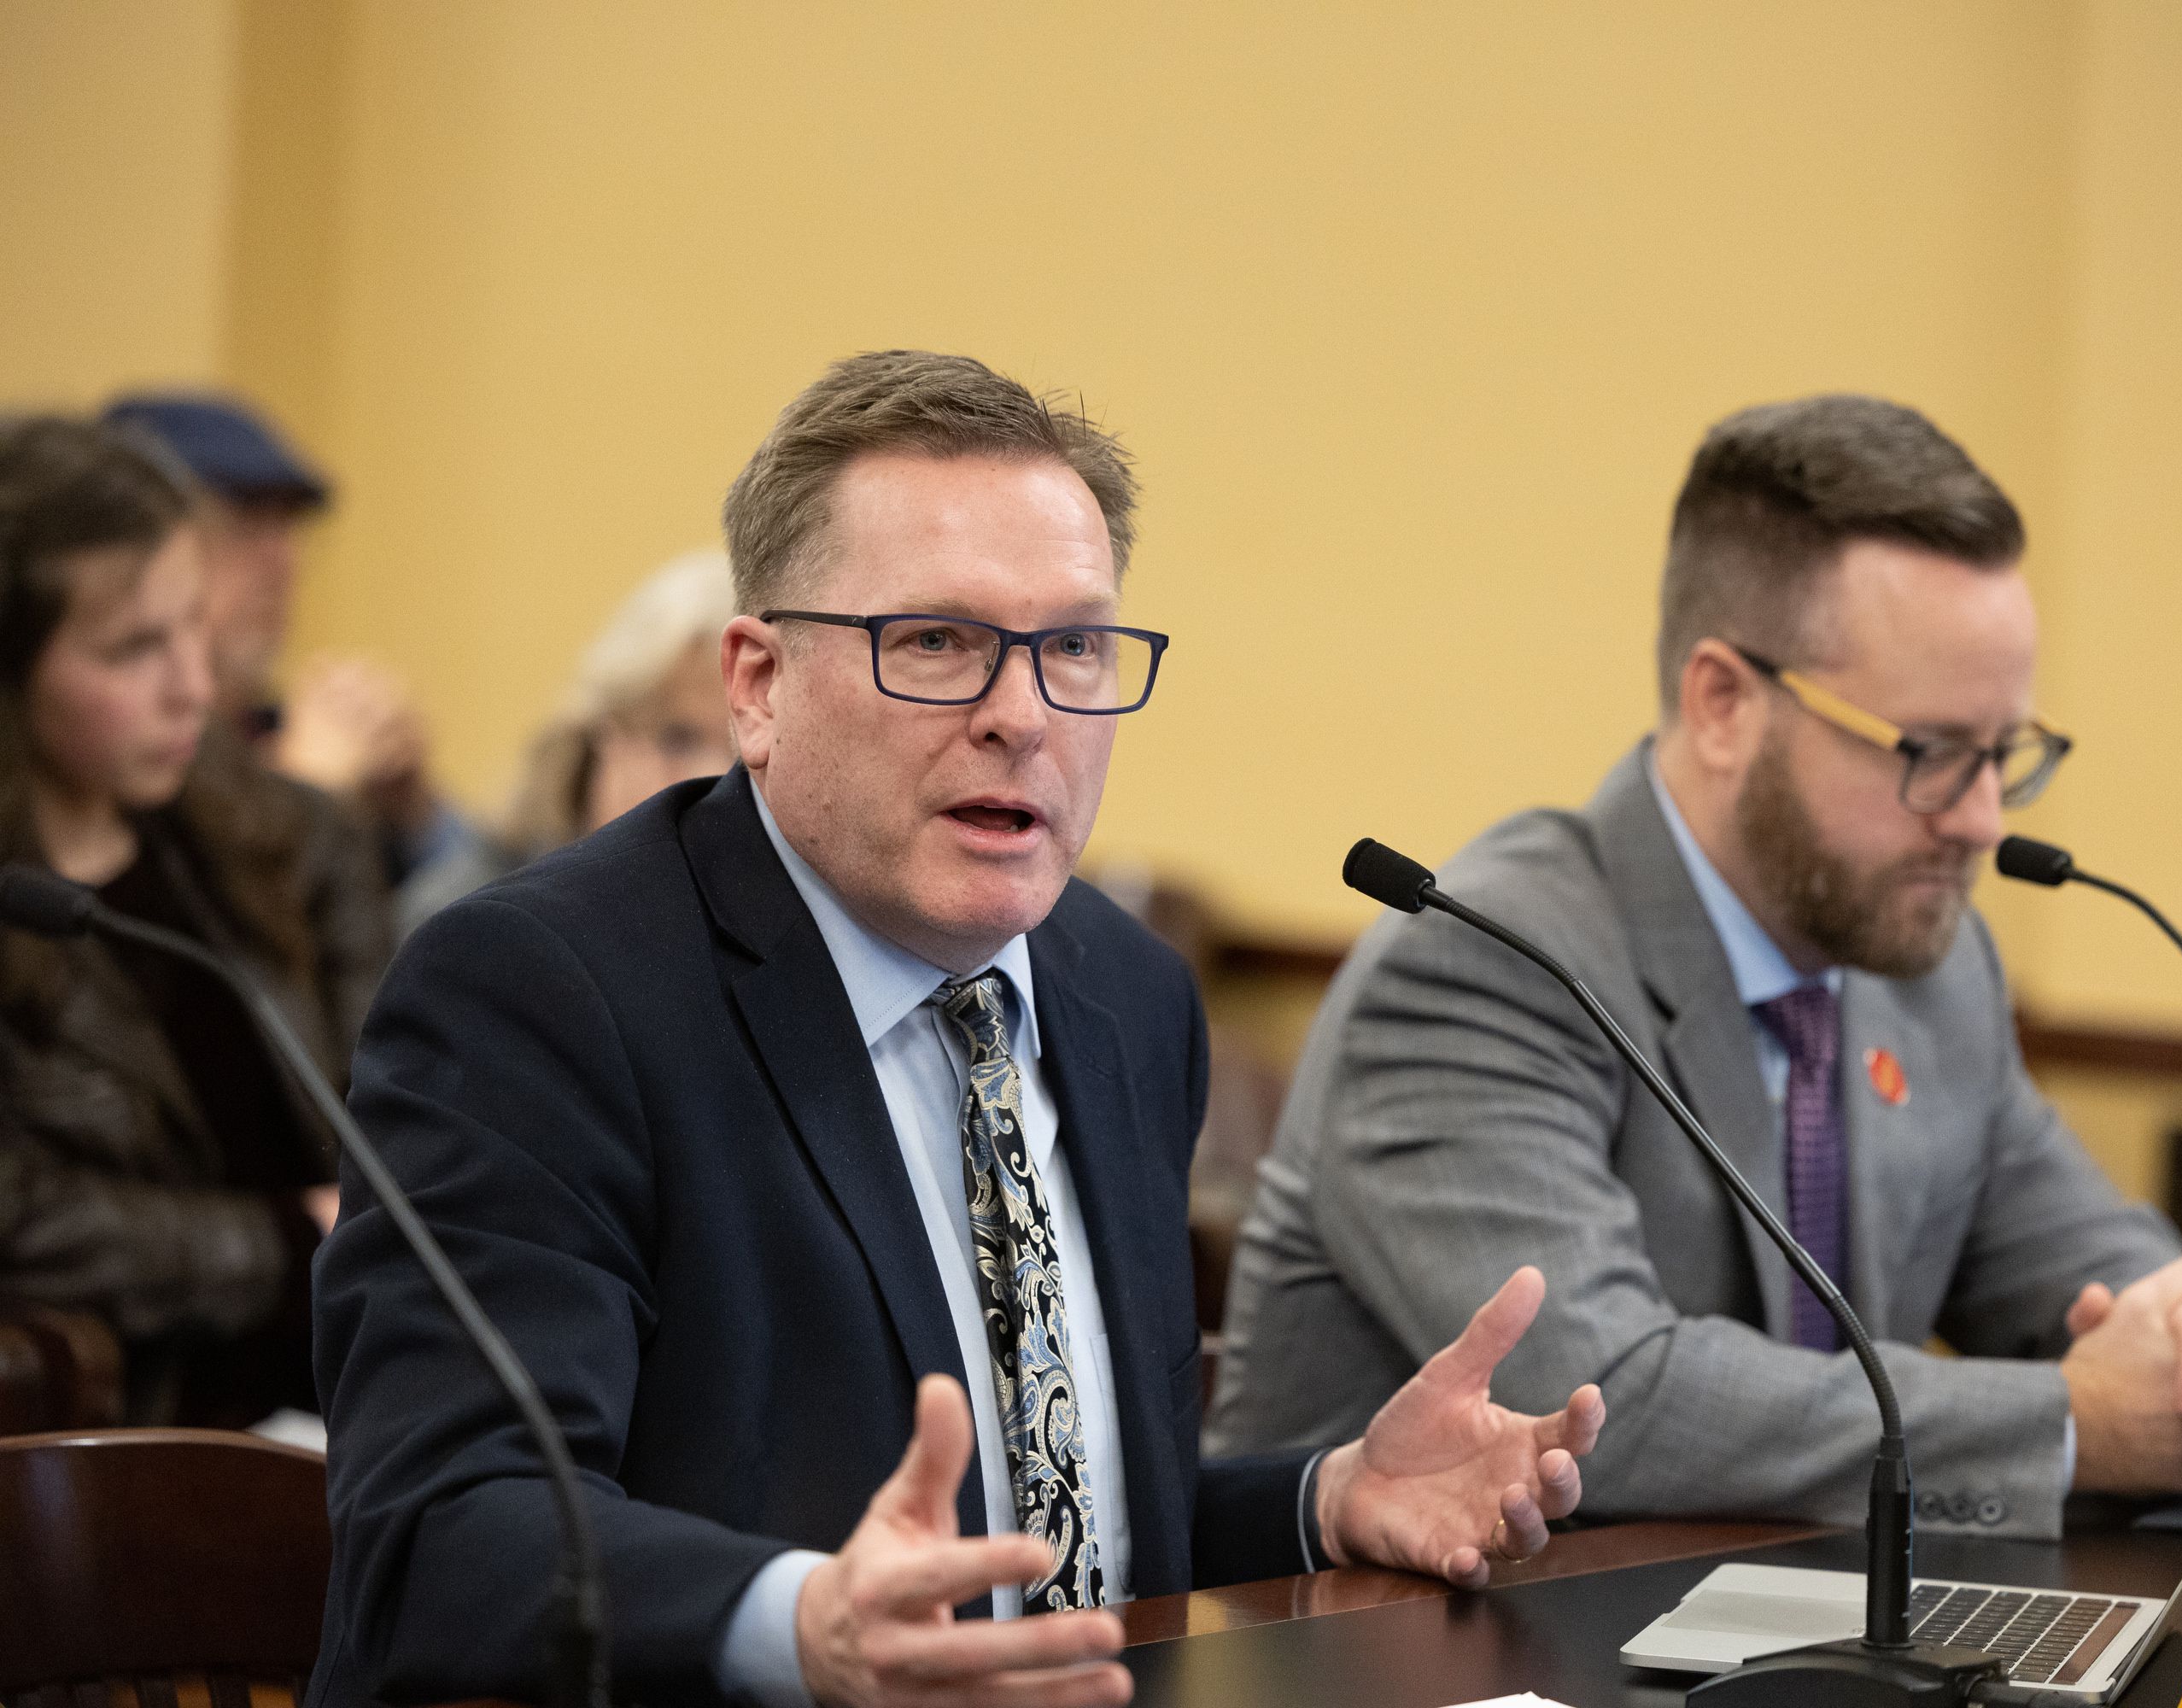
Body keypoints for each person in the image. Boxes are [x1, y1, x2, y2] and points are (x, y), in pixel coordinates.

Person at [310, 352, 1606, 1708]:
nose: (1022, 717)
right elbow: (443, 1528)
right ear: (755, 685)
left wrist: (1327, 1502)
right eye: (936, 643)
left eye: (1075, 648)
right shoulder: (540, 990)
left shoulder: (1125, 992)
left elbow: (1059, 1534)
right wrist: (803, 1625)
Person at [1205, 395, 2182, 1541]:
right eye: (1935, 754)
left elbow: (2082, 1251)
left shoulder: (1923, 966)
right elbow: (1607, 1400)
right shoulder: (1485, 965)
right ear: (1726, 702)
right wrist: (2077, 1424)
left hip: (1773, 1636)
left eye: (2007, 755)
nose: (1982, 819)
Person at [0, 415, 387, 1426]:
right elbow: (24, 1215)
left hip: (367, 1388)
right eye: (133, 649)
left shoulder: (290, 839)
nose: (193, 686)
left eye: (192, 626)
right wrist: (286, 1238)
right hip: (130, 1441)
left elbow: (401, 1088)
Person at [101, 393, 483, 905]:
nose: (282, 562)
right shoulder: (110, 754)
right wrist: (307, 797)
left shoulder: (271, 728)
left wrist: (412, 816)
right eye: (243, 525)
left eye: (288, 528)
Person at [395, 548, 739, 936]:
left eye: (742, 752)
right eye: (679, 740)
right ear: (603, 742)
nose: (716, 776)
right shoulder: (468, 920)